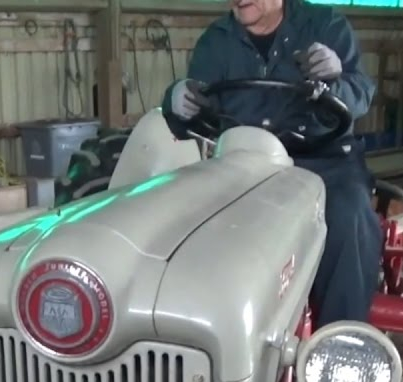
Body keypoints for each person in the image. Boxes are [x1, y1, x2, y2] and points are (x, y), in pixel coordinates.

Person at [161, 0, 383, 328]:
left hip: (323, 160)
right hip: (244, 165)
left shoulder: (325, 25)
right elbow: (196, 109)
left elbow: (360, 94)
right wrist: (176, 101)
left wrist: (337, 81)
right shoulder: (216, 40)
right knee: (188, 223)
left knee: (350, 216)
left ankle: (339, 344)